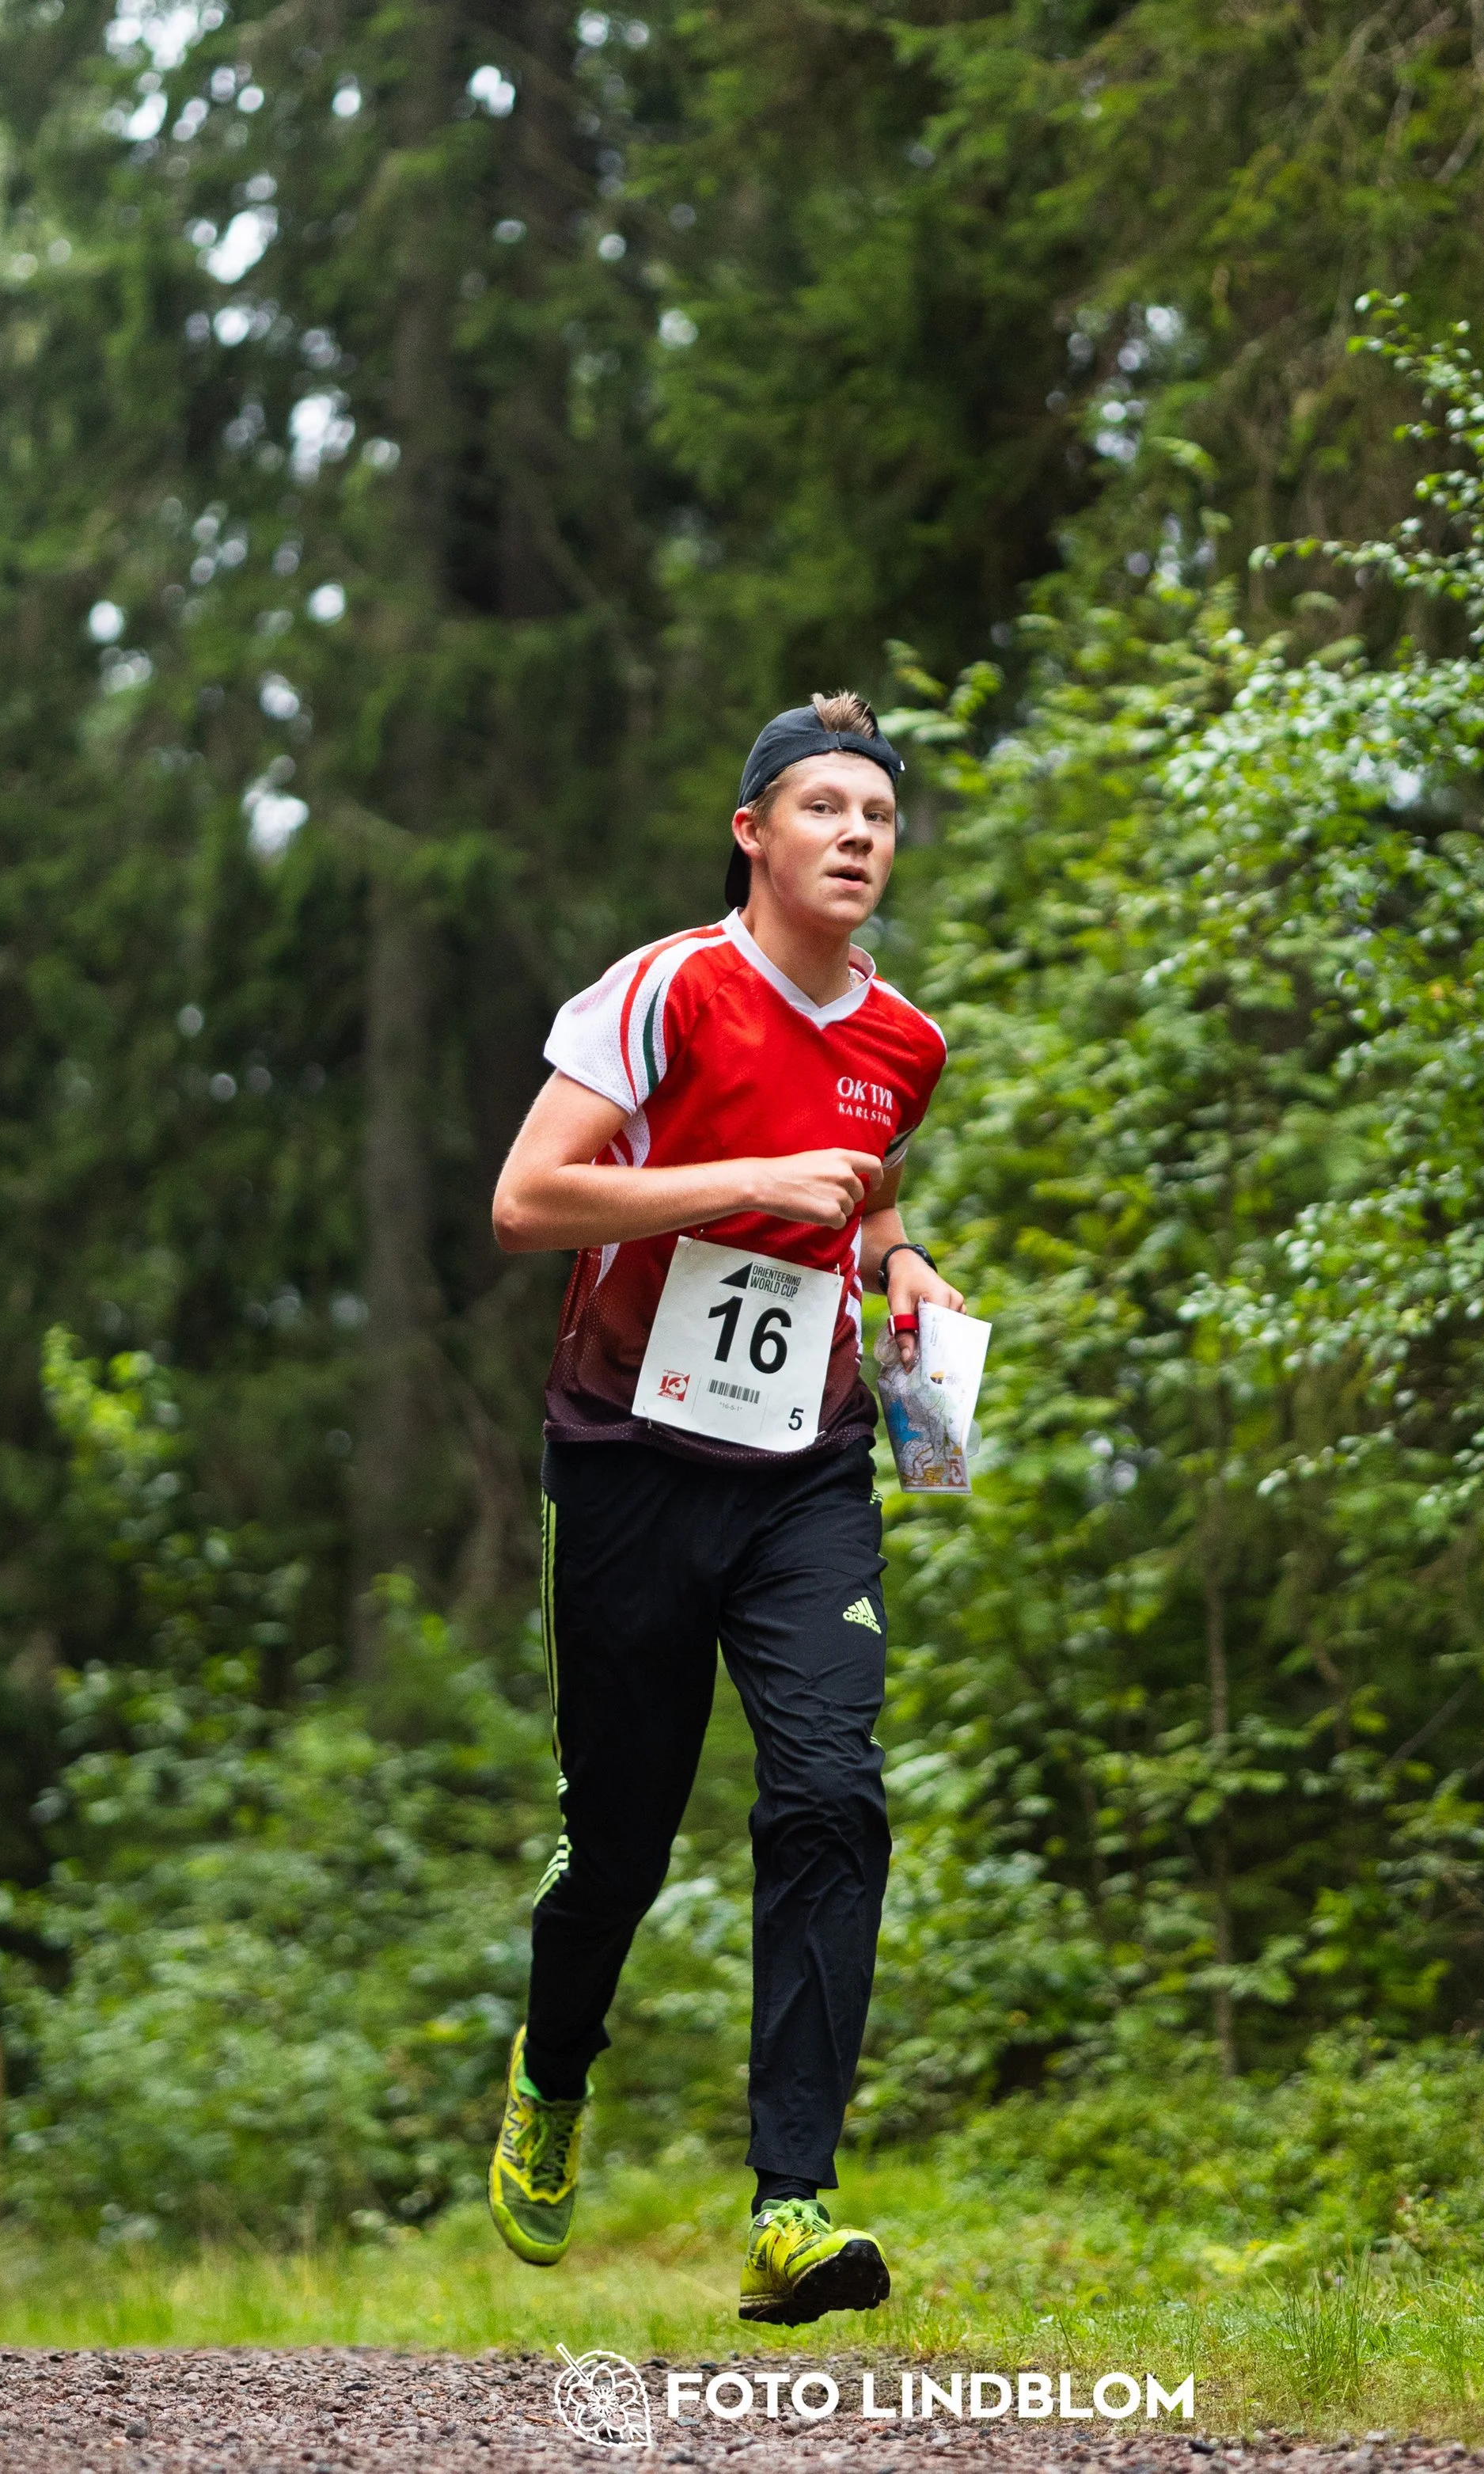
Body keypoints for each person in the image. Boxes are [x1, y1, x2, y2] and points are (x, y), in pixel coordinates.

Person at [484, 690, 962, 2325]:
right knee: (617, 1837)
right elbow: (527, 1198)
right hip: (627, 1455)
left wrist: (902, 1273)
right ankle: (553, 2074)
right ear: (751, 833)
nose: (853, 835)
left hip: (808, 1469)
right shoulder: (666, 989)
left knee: (832, 1793)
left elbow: (872, 1193)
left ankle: (791, 2204)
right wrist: (731, 1186)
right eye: (820, 807)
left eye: (876, 815)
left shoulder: (903, 1040)